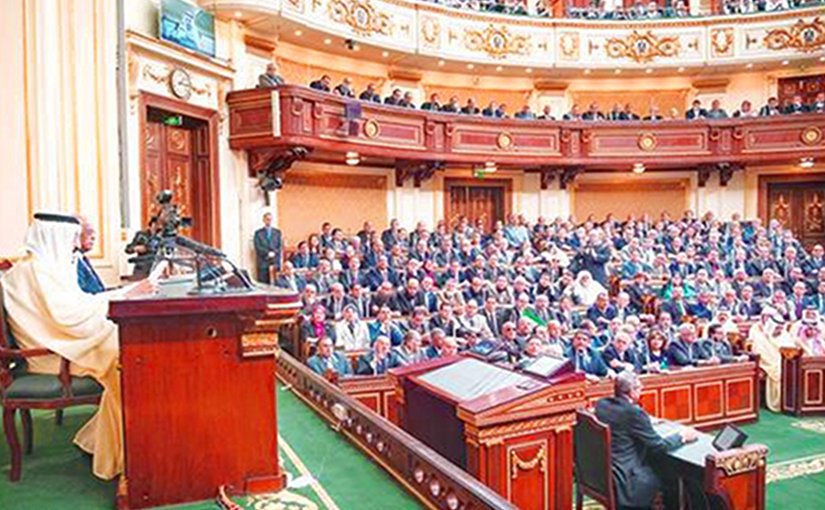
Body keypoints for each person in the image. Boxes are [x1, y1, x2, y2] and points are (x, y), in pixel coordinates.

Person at [1, 213, 138, 479]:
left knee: (127, 349)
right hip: (51, 353)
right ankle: (130, 455)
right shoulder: (36, 271)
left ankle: (108, 442)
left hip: (62, 342)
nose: (75, 245)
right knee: (127, 360)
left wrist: (122, 296)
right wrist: (124, 296)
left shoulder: (44, 267)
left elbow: (80, 305)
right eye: (72, 239)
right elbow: (71, 318)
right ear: (54, 237)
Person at [595, 371, 697, 510]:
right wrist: (682, 437)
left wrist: (644, 424)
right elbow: (659, 446)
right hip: (626, 476)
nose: (642, 390)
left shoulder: (602, 404)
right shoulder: (634, 413)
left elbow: (623, 423)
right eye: (640, 388)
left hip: (602, 470)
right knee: (669, 471)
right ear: (632, 392)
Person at [75, 215, 105, 294]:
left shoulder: (83, 259)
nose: (93, 237)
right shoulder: (72, 262)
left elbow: (99, 289)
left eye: (94, 233)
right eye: (89, 232)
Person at [253, 212, 282, 284]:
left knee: (277, 282)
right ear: (264, 220)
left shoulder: (277, 232)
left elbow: (280, 246)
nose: (268, 221)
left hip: (275, 261)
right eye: (267, 219)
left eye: (270, 219)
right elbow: (257, 247)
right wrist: (267, 253)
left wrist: (274, 253)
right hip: (263, 261)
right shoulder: (258, 233)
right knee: (263, 283)